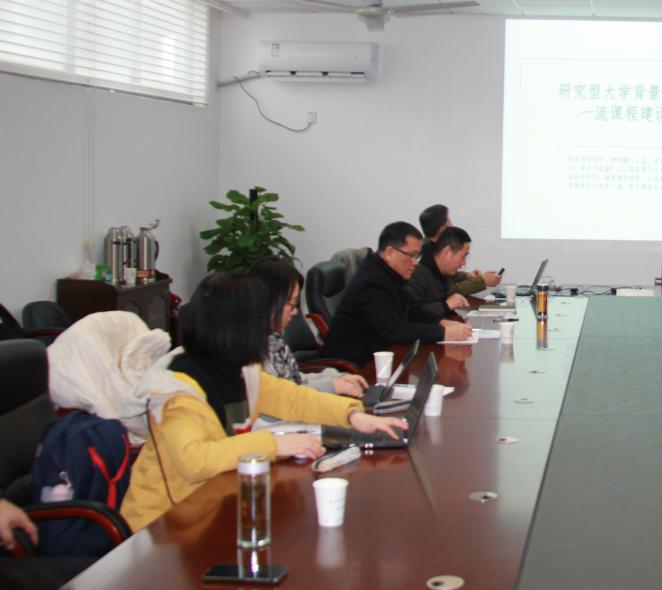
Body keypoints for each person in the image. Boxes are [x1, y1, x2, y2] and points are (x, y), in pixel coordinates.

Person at [121, 273, 405, 533]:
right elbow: (194, 460)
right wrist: (274, 444)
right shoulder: (178, 391)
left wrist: (353, 416)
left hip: (217, 505)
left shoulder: (238, 369)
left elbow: (294, 398)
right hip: (164, 527)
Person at [322, 222, 473, 366]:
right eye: (412, 255)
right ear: (390, 252)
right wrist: (443, 332)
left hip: (380, 356)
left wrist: (441, 321)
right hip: (355, 366)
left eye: (417, 256)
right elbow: (393, 330)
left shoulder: (390, 274)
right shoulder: (372, 281)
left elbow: (411, 310)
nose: (416, 262)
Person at [249, 258, 367, 398]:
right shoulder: (251, 349)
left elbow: (295, 380)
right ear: (269, 301)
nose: (295, 312)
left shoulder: (273, 338)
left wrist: (337, 377)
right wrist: (332, 385)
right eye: (291, 304)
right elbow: (284, 396)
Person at [419, 204, 501, 298]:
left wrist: (467, 276)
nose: (452, 229)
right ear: (441, 229)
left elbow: (446, 277)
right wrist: (482, 281)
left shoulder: (430, 247)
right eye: (449, 225)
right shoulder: (427, 257)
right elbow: (446, 290)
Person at [406, 226, 473, 321]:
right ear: (447, 252)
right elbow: (408, 313)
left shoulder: (443, 272)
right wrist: (446, 305)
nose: (464, 263)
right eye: (463, 257)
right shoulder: (416, 274)